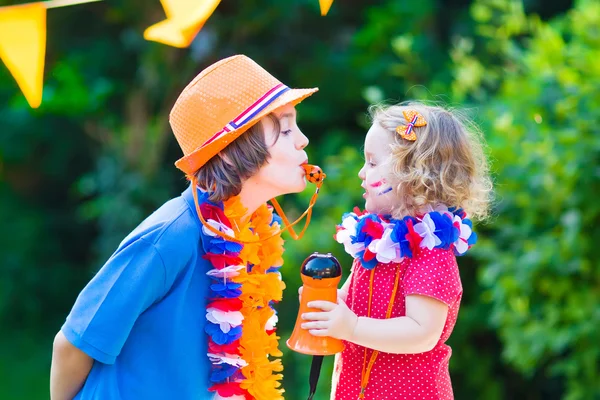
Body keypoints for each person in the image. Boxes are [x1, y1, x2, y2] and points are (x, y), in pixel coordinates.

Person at [50, 54, 320, 400]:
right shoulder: (169, 237)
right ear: (228, 151)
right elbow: (72, 346)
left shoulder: (251, 236)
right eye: (284, 129)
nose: (303, 140)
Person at [300, 102, 492, 399]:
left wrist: (351, 327)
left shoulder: (430, 253)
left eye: (373, 163)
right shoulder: (378, 243)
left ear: (415, 175)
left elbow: (422, 332)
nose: (362, 173)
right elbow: (352, 301)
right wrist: (324, 302)